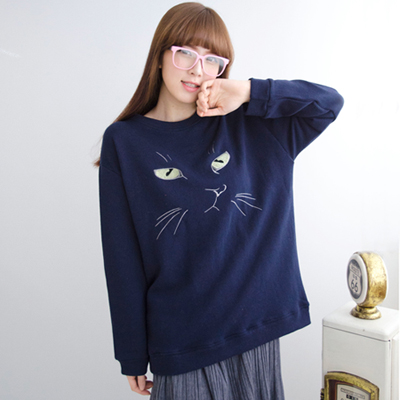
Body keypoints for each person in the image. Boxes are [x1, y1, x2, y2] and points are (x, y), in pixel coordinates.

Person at [97, 2, 344, 399]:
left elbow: (328, 103)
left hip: (255, 330)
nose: (198, 70)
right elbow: (121, 255)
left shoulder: (253, 125)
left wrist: (247, 91)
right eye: (185, 53)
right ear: (159, 56)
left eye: (212, 60)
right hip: (181, 339)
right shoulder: (125, 142)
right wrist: (131, 353)